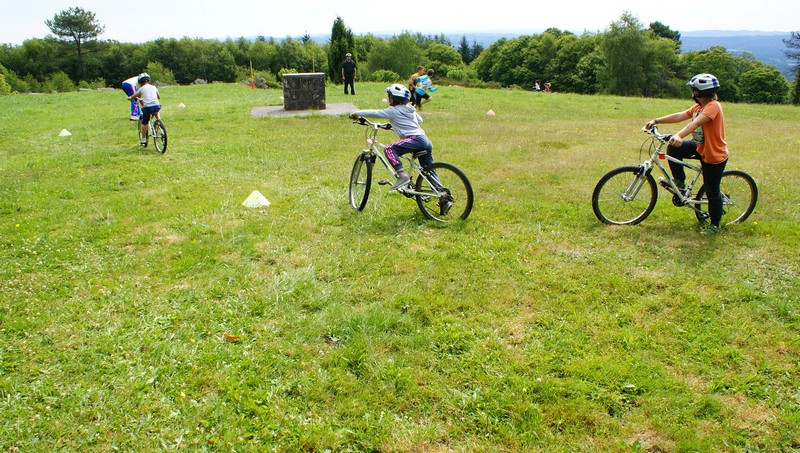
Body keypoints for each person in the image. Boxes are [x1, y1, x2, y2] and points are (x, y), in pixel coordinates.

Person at [644, 73, 728, 234]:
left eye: (693, 89)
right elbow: (681, 115)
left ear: (699, 92)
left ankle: (715, 224)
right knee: (674, 148)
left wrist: (679, 136)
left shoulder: (713, 106)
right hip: (700, 148)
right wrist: (656, 120)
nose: (692, 92)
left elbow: (695, 123)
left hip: (714, 155)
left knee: (712, 190)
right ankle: (680, 183)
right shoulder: (699, 107)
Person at [349, 84, 433, 190]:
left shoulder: (392, 111)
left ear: (392, 98)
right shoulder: (410, 109)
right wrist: (396, 123)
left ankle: (402, 176)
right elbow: (419, 120)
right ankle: (441, 194)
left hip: (415, 139)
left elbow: (376, 113)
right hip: (424, 140)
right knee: (428, 170)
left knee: (389, 149)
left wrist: (357, 113)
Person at [128, 73, 161, 147]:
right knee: (156, 110)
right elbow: (158, 97)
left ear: (140, 82)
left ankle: (143, 138)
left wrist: (131, 98)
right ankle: (159, 123)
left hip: (147, 108)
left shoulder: (141, 89)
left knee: (145, 122)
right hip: (156, 106)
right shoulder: (153, 87)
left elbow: (135, 96)